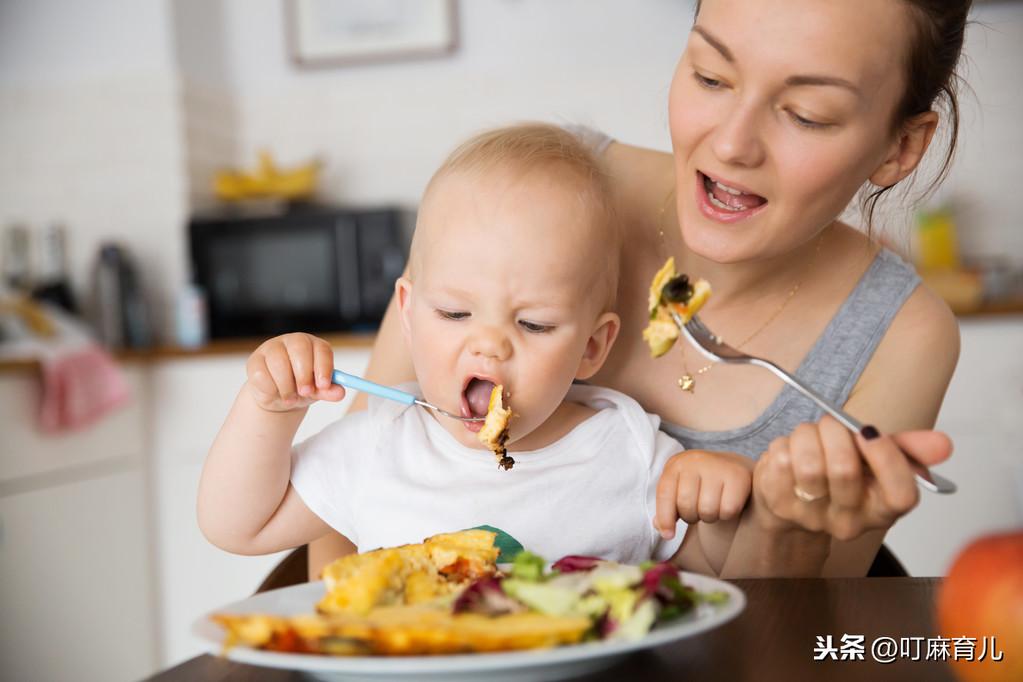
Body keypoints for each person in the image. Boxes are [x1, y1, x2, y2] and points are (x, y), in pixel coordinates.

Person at [309, 0, 970, 579]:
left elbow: (804, 627)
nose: (732, 144)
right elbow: (345, 506)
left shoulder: (901, 334)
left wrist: (783, 528)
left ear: (899, 148)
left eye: (806, 114)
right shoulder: (531, 191)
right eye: (710, 76)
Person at [197, 123, 753, 568]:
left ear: (592, 346)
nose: (489, 346)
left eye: (533, 324)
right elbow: (237, 526)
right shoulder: (380, 444)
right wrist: (269, 409)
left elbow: (707, 583)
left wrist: (716, 511)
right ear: (409, 315)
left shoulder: (628, 450)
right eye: (455, 313)